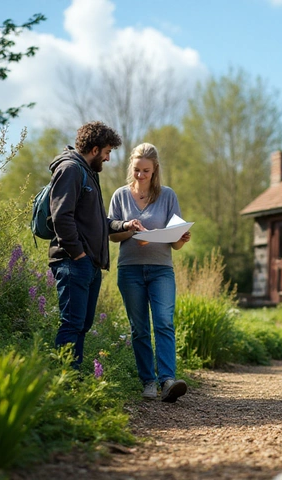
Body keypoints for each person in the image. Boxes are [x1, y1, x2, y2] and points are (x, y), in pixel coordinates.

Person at [49, 121, 143, 370]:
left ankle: (74, 381)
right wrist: (78, 254)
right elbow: (61, 217)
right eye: (107, 152)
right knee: (72, 323)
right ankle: (65, 383)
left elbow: (98, 222)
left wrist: (124, 226)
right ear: (94, 149)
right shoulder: (70, 169)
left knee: (82, 325)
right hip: (73, 262)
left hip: (88, 264)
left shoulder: (88, 174)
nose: (109, 158)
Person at [108, 143, 191, 403]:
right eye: (137, 170)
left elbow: (174, 243)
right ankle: (148, 382)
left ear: (155, 170)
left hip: (161, 270)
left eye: (146, 170)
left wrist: (181, 239)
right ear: (131, 167)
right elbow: (112, 234)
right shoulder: (120, 196)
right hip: (130, 269)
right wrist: (130, 228)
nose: (141, 175)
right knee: (139, 328)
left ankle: (167, 380)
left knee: (164, 322)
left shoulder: (167, 196)